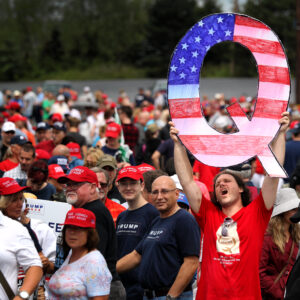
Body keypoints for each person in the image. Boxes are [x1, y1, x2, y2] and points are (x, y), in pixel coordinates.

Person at [169, 112, 289, 300]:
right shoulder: (208, 214)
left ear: (241, 189)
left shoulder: (257, 213)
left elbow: (273, 175)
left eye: (226, 181)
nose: (221, 185)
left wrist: (280, 134)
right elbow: (187, 181)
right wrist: (178, 144)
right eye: (217, 184)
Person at [117, 175, 200, 299]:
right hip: (149, 295)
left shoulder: (184, 219)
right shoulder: (157, 221)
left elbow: (191, 263)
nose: (159, 197)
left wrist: (171, 296)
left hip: (170, 296)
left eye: (165, 191)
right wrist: (108, 271)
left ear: (176, 194)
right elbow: (136, 255)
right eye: (155, 192)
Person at [57, 166, 126, 300]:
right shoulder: (86, 211)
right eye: (68, 184)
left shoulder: (93, 213)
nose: (70, 188)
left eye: (76, 184)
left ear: (93, 187)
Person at [48, 208, 112, 299]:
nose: (72, 232)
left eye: (78, 228)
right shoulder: (72, 252)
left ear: (89, 233)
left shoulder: (95, 262)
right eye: (69, 227)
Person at [115, 166, 159, 299]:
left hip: (142, 290)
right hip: (122, 288)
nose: (128, 188)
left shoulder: (153, 214)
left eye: (133, 183)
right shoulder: (122, 216)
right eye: (124, 184)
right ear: (118, 187)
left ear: (142, 185)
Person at [0, 177, 43, 300]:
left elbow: (35, 265)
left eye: (21, 199)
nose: (20, 204)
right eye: (14, 200)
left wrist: (21, 296)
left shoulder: (17, 229)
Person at [259, 188, 300, 300]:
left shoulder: (297, 234)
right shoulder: (267, 237)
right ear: (283, 212)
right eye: (292, 209)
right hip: (273, 295)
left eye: (298, 208)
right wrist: (276, 290)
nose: (296, 212)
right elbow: (260, 271)